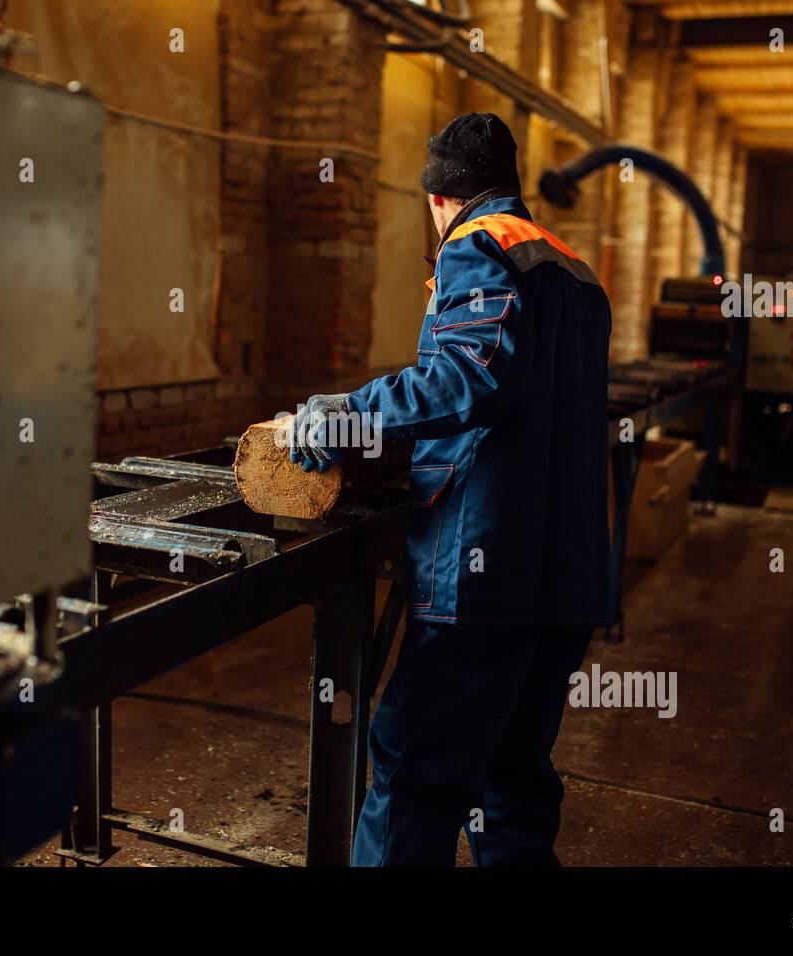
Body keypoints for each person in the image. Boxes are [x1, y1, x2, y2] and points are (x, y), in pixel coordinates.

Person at [288, 113, 613, 866]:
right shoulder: (575, 270)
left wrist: (350, 413)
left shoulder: (477, 245)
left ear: (440, 197)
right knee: (510, 780)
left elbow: (474, 373)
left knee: (414, 775)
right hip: (567, 575)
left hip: (483, 571)